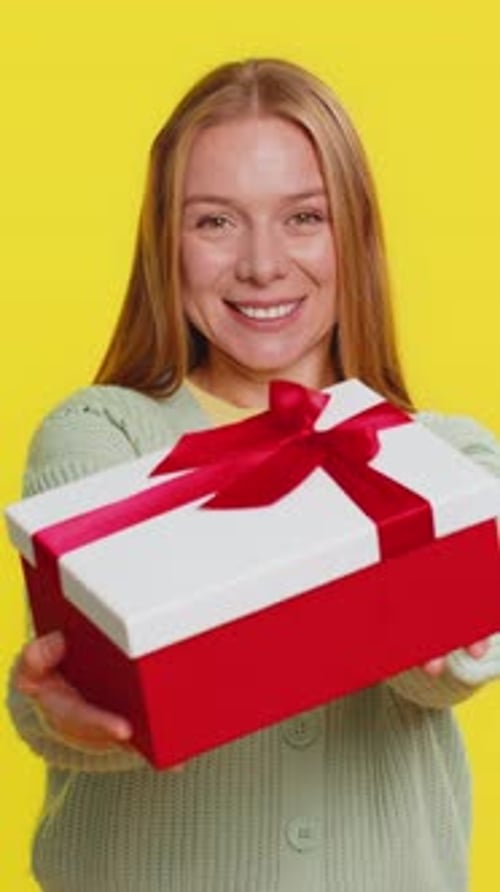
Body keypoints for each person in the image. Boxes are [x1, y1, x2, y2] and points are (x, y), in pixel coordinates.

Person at [8, 57, 500, 892]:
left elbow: (439, 676)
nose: (263, 265)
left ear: (357, 233)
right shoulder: (101, 438)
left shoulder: (453, 460)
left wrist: (451, 649)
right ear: (165, 241)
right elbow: (98, 664)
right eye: (215, 223)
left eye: (304, 216)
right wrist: (61, 714)